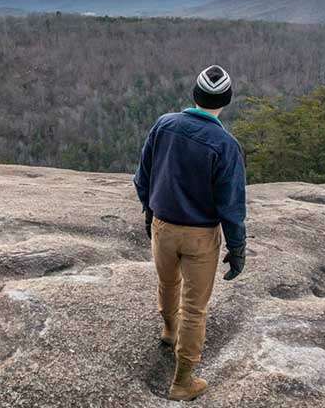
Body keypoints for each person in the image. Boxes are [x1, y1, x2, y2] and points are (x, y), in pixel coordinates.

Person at [133, 64, 247, 402]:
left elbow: (143, 176)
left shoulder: (164, 125)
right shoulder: (226, 145)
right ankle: (183, 380)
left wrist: (149, 212)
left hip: (163, 228)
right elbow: (232, 206)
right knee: (195, 308)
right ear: (225, 99)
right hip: (200, 237)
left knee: (167, 284)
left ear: (194, 95)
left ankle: (169, 331)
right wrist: (237, 249)